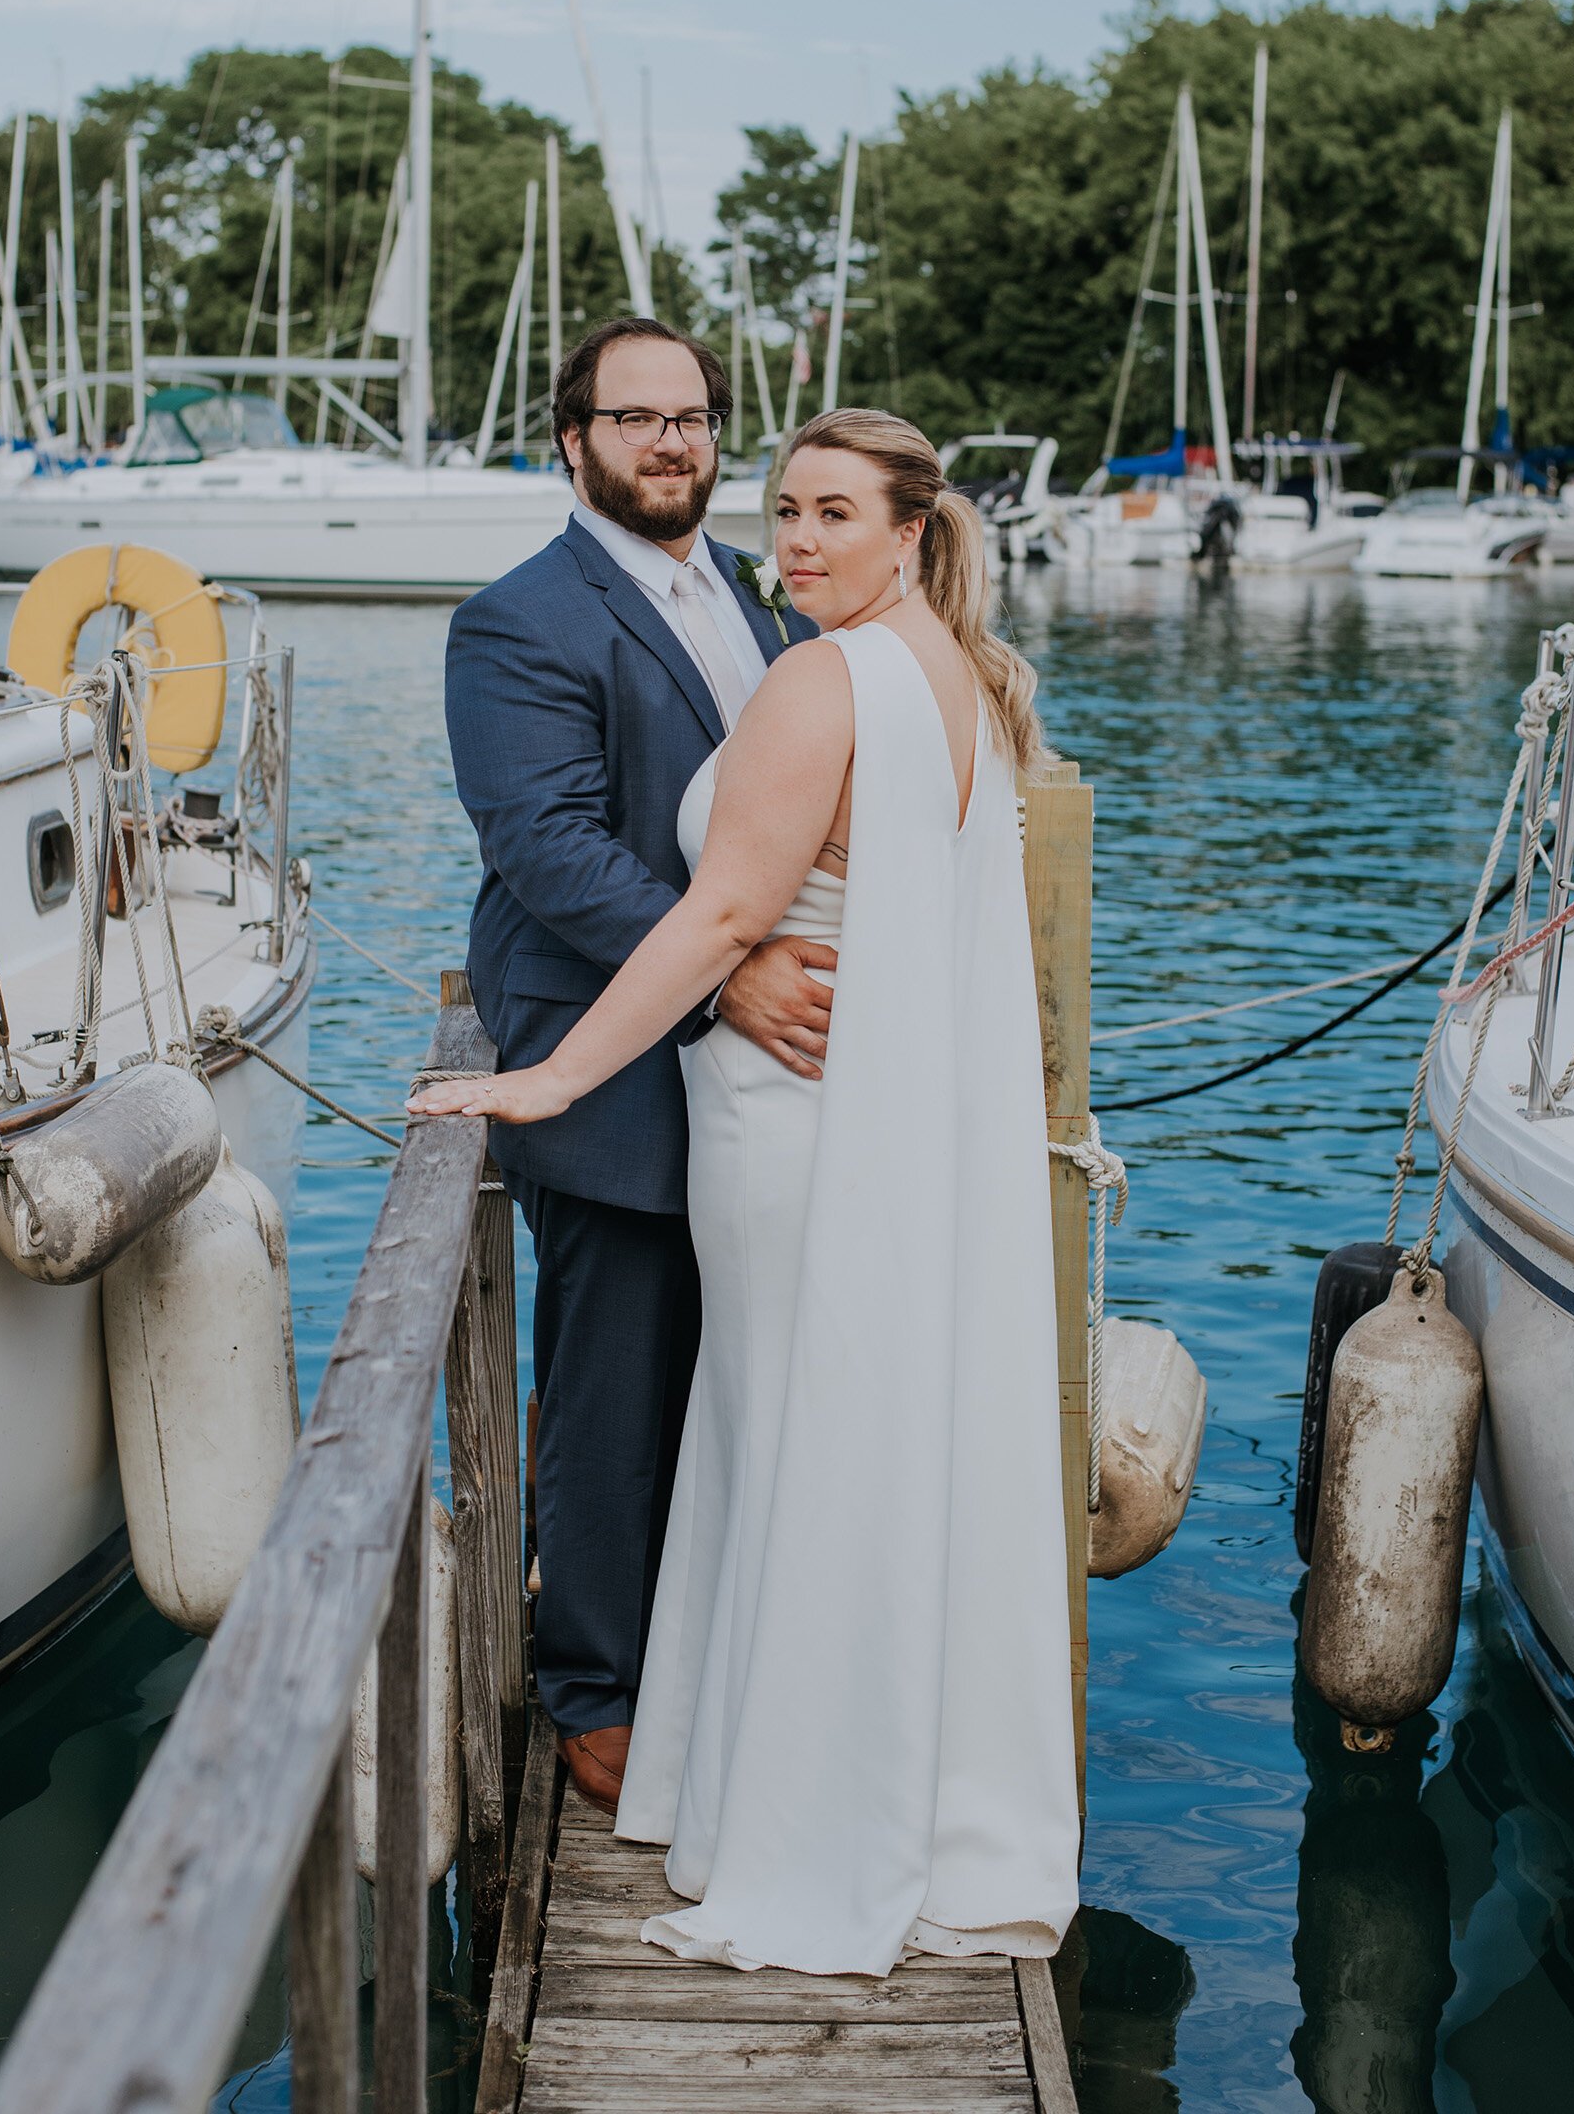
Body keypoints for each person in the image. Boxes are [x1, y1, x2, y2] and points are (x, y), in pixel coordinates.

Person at [417, 408, 1080, 1978]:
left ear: (911, 528)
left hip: (790, 1135)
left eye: (834, 514)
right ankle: (857, 1795)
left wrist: (551, 1077)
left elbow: (723, 916)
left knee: (789, 1445)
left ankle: (794, 1825)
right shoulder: (968, 682)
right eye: (782, 509)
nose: (794, 541)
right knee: (841, 1449)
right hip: (883, 1134)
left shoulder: (821, 676)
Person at [441, 319, 826, 1817]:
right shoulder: (519, 619)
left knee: (732, 1361)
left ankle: (715, 1643)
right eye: (637, 418)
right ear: (572, 439)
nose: (672, 443)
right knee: (616, 1369)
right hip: (604, 1051)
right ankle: (593, 1685)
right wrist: (726, 971)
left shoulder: (749, 590)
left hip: (752, 1051)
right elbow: (549, 850)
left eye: (695, 417)